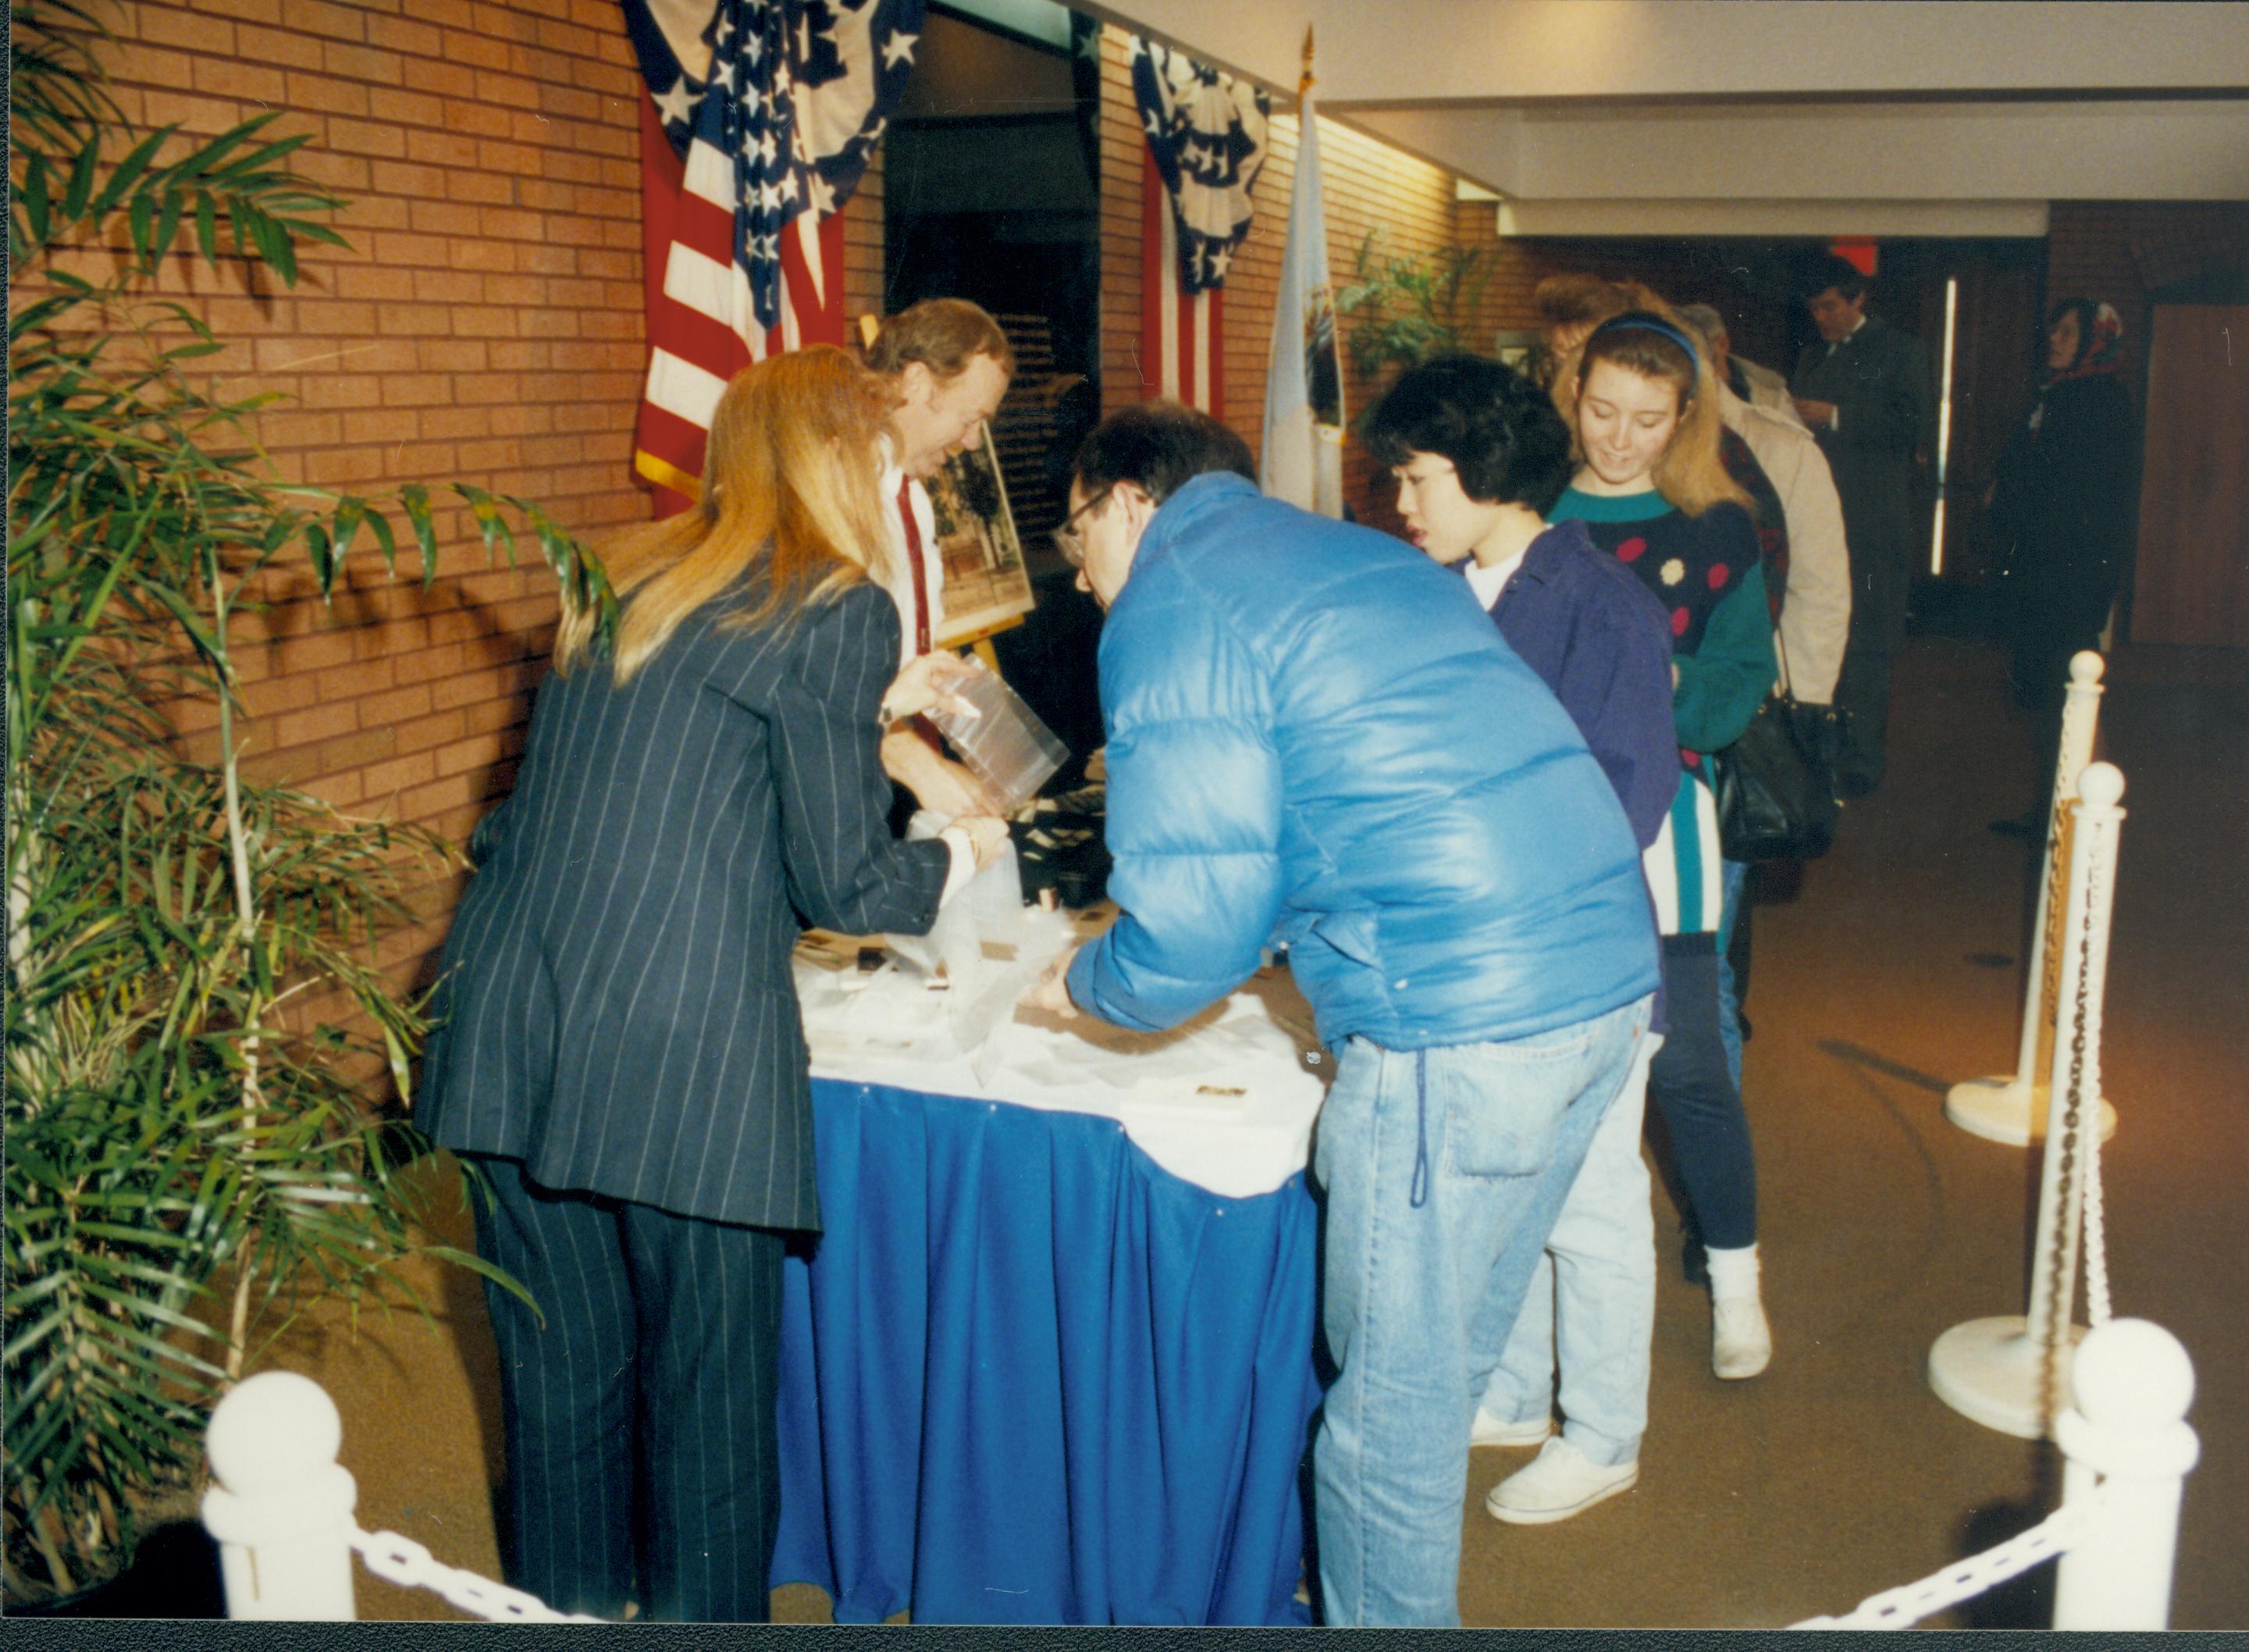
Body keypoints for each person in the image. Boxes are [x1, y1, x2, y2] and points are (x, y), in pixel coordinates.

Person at [1023, 401, 1659, 1626]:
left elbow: (1190, 933)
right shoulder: (1357, 553)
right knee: (1445, 1355)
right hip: (1597, 973)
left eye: (1074, 533)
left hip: (1460, 1017)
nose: (1081, 571)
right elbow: (1341, 792)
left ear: (1126, 501)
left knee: (1383, 1428)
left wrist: (1088, 983)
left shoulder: (1175, 596)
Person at [416, 347, 1010, 1622]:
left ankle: (569, 1617)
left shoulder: (627, 572)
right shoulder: (834, 603)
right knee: (709, 1401)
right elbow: (846, 889)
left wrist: (869, 705)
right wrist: (962, 852)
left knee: (562, 1384)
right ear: (847, 457)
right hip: (682, 1067)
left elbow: (651, 762)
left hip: (508, 1033)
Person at [1361, 355, 1677, 1526]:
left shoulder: (1604, 606)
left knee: (1590, 1205)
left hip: (1579, 962)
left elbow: (1623, 800)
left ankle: (1605, 1432)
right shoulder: (1445, 585)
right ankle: (1513, 1389)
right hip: (1487, 958)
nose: (1401, 503)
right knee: (1517, 1196)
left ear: (1486, 472)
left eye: (1416, 477)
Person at [1546, 311, 1778, 1386]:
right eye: (1601, 411)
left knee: (1687, 1060)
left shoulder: (1719, 529)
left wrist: (1645, 686)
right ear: (1572, 393)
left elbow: (1733, 692)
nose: (1619, 439)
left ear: (1682, 417)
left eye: (1646, 419)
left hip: (1666, 819)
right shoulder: (1528, 513)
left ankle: (1737, 1282)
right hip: (1540, 821)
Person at [1678, 301, 1854, 1090]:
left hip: (1756, 706)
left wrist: (1801, 717)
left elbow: (1821, 591)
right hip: (1682, 714)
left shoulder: (1781, 451)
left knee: (1724, 910)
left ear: (1715, 357)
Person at [1987, 298, 2137, 831]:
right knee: (2058, 693)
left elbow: (2079, 494)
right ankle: (2058, 807)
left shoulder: (2096, 400)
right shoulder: (2065, 394)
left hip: (2071, 572)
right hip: (2051, 568)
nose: (2054, 340)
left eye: (2069, 334)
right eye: (2054, 331)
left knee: (2072, 690)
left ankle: (2082, 811)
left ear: (2096, 340)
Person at [864, 298, 1017, 818]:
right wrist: (905, 752)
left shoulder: (915, 498)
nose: (974, 443)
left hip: (899, 772)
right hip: (855, 767)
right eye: (971, 418)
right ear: (915, 383)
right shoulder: (837, 495)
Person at [1790, 254, 1934, 799]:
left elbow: (1912, 425)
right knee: (1821, 635)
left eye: (1830, 306)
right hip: (1819, 520)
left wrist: (1834, 416)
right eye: (1814, 309)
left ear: (1858, 299)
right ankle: (1821, 753)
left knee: (1868, 645)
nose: (1822, 318)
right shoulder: (1809, 354)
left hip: (1873, 525)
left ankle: (1861, 760)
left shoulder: (1899, 350)